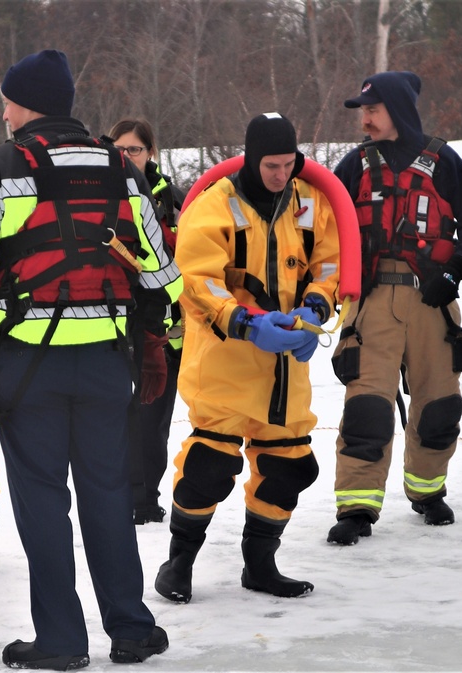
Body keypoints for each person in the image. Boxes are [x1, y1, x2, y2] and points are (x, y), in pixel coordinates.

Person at [0, 50, 179, 670]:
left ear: (25, 105)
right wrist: (155, 339)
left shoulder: (1, 166)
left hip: (30, 365)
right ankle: (131, 628)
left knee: (43, 503)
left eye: (6, 101)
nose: (1, 112)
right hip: (109, 361)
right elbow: (160, 270)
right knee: (108, 494)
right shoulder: (121, 168)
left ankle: (59, 642)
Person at [154, 112, 339, 604]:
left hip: (285, 369)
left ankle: (260, 565)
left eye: (289, 164)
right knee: (209, 466)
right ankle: (179, 563)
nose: (282, 174)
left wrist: (316, 308)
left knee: (289, 466)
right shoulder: (215, 206)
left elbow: (331, 265)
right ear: (252, 160)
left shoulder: (310, 203)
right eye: (272, 165)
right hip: (225, 363)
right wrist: (247, 323)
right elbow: (196, 280)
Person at [326, 71, 462, 546]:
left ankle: (427, 490)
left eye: (371, 112)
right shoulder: (353, 166)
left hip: (432, 303)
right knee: (367, 409)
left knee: (439, 405)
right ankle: (356, 505)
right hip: (371, 304)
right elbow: (325, 231)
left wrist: (452, 273)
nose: (365, 122)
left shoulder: (445, 161)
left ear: (396, 110)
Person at [107, 118, 185, 525]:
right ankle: (115, 493)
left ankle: (144, 498)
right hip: (111, 322)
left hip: (162, 326)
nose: (126, 158)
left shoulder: (173, 199)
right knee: (113, 415)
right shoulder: (101, 193)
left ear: (151, 153)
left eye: (134, 150)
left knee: (153, 418)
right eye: (118, 150)